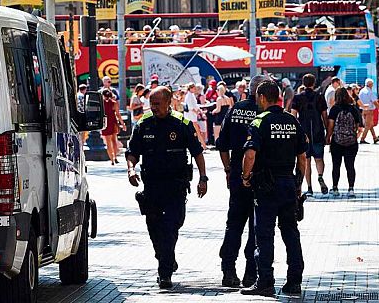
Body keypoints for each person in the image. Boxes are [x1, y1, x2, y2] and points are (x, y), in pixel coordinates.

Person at [126, 87, 208, 289]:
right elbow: (132, 152)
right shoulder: (143, 124)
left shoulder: (182, 124)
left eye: (157, 104)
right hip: (152, 186)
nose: (153, 108)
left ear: (168, 103)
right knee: (154, 228)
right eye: (151, 104)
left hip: (176, 186)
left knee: (171, 226)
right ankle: (165, 259)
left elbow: (197, 152)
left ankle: (165, 272)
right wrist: (130, 169)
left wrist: (203, 178)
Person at [240, 80, 307, 296]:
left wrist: (245, 176)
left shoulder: (259, 122)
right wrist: (298, 183)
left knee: (265, 235)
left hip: (266, 186)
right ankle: (294, 282)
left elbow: (250, 154)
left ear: (261, 97)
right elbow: (302, 158)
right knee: (290, 233)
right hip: (288, 183)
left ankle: (265, 282)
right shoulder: (292, 121)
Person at [216, 74, 268, 288]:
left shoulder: (234, 109)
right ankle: (250, 273)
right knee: (256, 227)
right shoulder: (264, 113)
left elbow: (222, 145)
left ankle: (228, 271)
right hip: (259, 177)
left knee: (234, 224)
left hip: (237, 174)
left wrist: (229, 169)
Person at [291, 74, 329, 197]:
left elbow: (293, 116)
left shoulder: (297, 98)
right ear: (314, 83)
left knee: (306, 161)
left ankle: (309, 187)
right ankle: (320, 176)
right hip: (317, 132)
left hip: (303, 133)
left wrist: (295, 133)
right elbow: (325, 116)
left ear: (303, 83)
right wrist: (328, 132)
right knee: (319, 158)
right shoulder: (320, 97)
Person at [326, 87, 363, 197]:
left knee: (336, 165)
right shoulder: (353, 109)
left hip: (337, 142)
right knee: (350, 165)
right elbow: (358, 126)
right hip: (351, 142)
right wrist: (353, 135)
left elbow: (331, 125)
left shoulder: (334, 109)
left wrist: (328, 137)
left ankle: (335, 188)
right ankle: (351, 188)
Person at [101, 89, 125, 165]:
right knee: (114, 140)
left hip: (105, 122)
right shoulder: (114, 103)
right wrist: (122, 123)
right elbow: (118, 114)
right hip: (113, 121)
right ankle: (115, 157)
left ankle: (111, 159)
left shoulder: (101, 103)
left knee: (108, 142)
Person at [183, 83, 207, 149]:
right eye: (193, 88)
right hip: (190, 117)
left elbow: (195, 105)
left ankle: (203, 145)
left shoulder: (192, 95)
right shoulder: (189, 96)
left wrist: (199, 111)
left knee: (195, 131)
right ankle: (203, 145)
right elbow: (190, 107)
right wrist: (197, 113)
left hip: (192, 116)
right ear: (190, 88)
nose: (195, 89)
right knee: (196, 131)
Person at [358, 78, 379, 144]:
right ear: (370, 84)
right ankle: (362, 139)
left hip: (363, 110)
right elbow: (374, 102)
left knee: (370, 124)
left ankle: (375, 138)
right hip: (369, 110)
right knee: (368, 125)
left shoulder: (361, 91)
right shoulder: (370, 92)